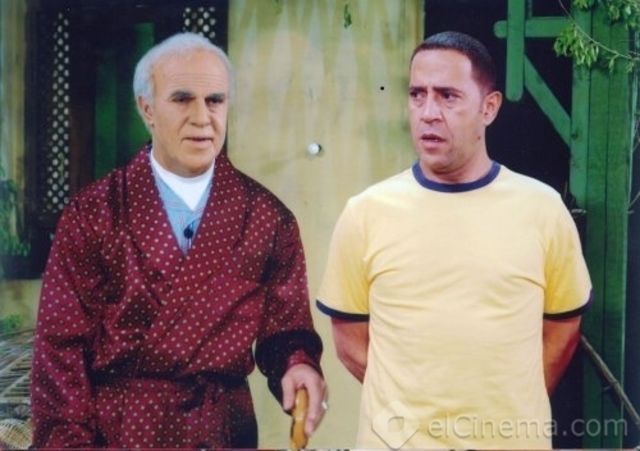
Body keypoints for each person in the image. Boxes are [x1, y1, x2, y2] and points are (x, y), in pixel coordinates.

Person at [31, 32, 327, 448]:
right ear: (147, 108)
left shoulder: (267, 217)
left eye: (215, 100)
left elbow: (287, 332)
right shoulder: (93, 214)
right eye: (182, 99)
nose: (202, 117)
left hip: (223, 433)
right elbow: (60, 355)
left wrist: (298, 365)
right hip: (120, 433)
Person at [316, 31, 591, 449]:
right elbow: (350, 341)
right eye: (417, 94)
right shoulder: (366, 212)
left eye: (447, 96)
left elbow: (563, 327)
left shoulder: (542, 209)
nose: (428, 112)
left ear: (489, 108)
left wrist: (509, 404)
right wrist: (411, 410)